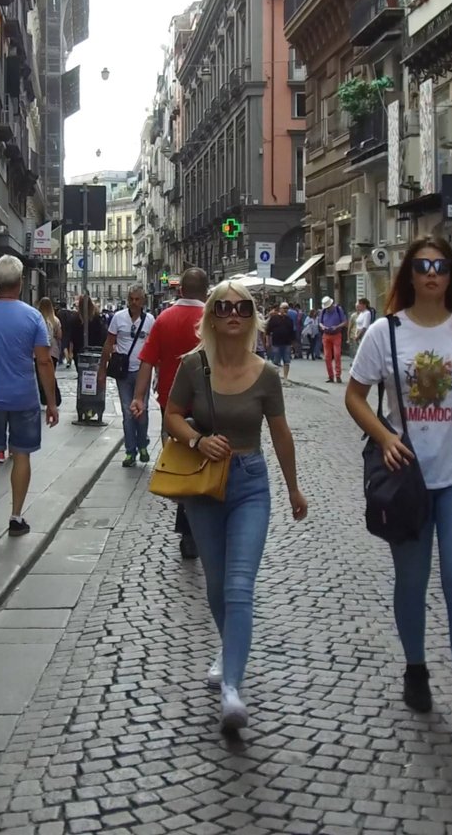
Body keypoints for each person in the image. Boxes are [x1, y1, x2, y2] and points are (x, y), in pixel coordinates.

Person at [343, 236, 452, 736]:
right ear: (410, 275)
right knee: (411, 581)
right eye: (422, 266)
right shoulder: (385, 332)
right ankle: (415, 667)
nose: (432, 274)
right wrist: (384, 437)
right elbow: (354, 397)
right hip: (407, 476)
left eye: (440, 266)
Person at [164, 280, 307, 735]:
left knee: (240, 584)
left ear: (251, 318)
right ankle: (229, 649)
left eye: (242, 308)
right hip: (205, 486)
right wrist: (197, 440)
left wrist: (294, 489)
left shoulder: (266, 374)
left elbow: (281, 433)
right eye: (223, 307)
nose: (233, 314)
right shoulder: (193, 365)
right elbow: (171, 414)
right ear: (210, 315)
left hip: (249, 483)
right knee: (217, 582)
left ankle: (232, 688)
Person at [0, 255, 60, 536]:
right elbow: (44, 362)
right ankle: (16, 517)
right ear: (20, 283)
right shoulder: (33, 317)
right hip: (23, 398)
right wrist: (50, 403)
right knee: (21, 455)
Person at [131, 267, 210, 559]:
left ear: (180, 290)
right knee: (205, 462)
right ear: (206, 291)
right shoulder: (211, 319)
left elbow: (147, 361)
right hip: (209, 403)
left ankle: (189, 529)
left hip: (171, 404)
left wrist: (138, 397)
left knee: (182, 464)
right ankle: (199, 528)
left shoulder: (163, 319)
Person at [106, 287, 154, 466]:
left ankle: (142, 444)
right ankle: (130, 451)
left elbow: (155, 347)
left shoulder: (150, 321)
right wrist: (102, 370)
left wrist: (157, 372)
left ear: (143, 301)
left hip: (143, 373)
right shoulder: (118, 318)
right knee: (127, 413)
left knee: (142, 411)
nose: (134, 302)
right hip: (123, 373)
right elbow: (109, 343)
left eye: (137, 299)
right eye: (131, 299)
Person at [318, 295, 348, 383]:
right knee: (327, 357)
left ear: (331, 304)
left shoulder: (338, 310)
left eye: (328, 307)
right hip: (326, 335)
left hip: (336, 335)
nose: (327, 309)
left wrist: (337, 327)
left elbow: (344, 322)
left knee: (337, 355)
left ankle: (338, 375)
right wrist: (322, 326)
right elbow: (320, 322)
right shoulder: (323, 311)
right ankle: (330, 376)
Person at [264, 302, 298, 380]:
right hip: (276, 343)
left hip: (287, 343)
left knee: (287, 361)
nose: (285, 310)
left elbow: (292, 333)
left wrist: (293, 344)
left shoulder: (289, 320)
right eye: (284, 308)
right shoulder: (274, 318)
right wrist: (267, 341)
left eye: (287, 308)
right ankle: (276, 378)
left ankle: (285, 378)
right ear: (280, 309)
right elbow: (268, 331)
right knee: (275, 361)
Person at [36, 296, 65, 374]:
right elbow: (59, 336)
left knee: (39, 375)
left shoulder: (37, 319)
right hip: (52, 351)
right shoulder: (55, 320)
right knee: (51, 374)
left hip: (38, 351)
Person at [57, 301, 83, 367]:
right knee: (70, 346)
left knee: (64, 346)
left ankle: (68, 360)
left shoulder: (59, 313)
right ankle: (70, 358)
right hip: (70, 330)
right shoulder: (69, 312)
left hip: (63, 330)